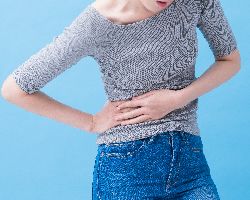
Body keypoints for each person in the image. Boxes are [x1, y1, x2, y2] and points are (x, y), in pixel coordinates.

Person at [1, 0, 241, 199]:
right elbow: (14, 89)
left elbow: (230, 60)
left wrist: (177, 99)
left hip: (190, 165)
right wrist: (92, 122)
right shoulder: (95, 24)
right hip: (126, 171)